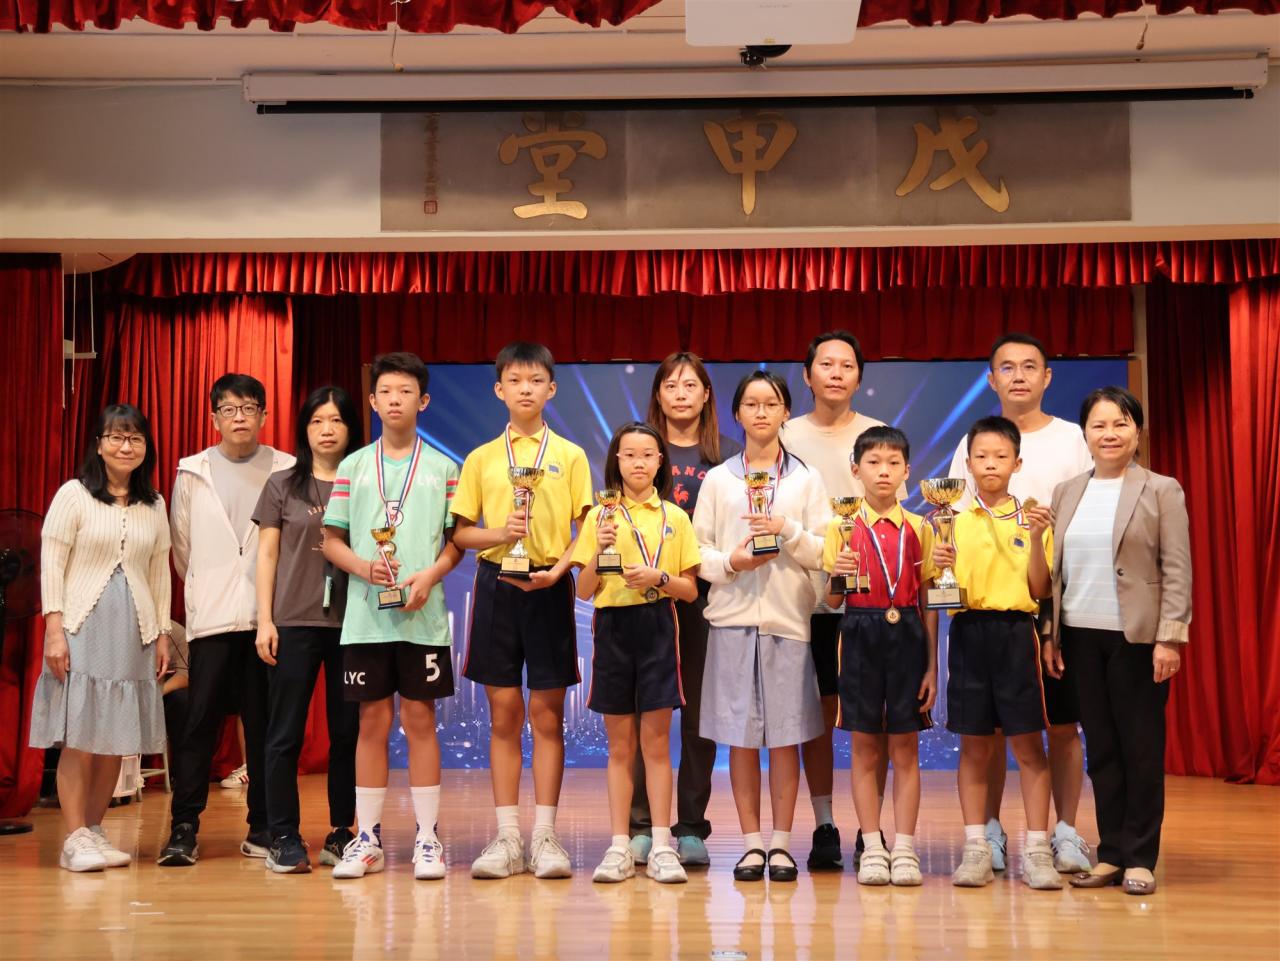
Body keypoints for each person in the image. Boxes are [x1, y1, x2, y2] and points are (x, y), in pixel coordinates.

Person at [947, 332, 1094, 874]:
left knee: (1060, 725)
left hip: (1061, 598)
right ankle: (986, 835)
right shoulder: (972, 444)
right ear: (991, 379)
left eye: (1029, 366)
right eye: (1006, 367)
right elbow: (955, 533)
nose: (1018, 376)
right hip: (988, 613)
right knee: (983, 735)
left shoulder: (1074, 438)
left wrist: (1053, 621)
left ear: (1047, 376)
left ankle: (1064, 833)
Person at [452, 341, 593, 880]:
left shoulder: (571, 455)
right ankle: (508, 836)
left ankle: (546, 837)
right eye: (515, 380)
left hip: (550, 585)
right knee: (504, 714)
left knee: (548, 716)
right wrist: (500, 533)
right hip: (497, 585)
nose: (526, 389)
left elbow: (586, 528)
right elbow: (462, 534)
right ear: (499, 390)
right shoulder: (481, 458)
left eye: (536, 380)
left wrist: (561, 572)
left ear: (551, 389)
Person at [321, 354, 462, 880]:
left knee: (420, 720)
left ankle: (428, 837)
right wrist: (365, 568)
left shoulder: (444, 468)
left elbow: (456, 543)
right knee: (372, 722)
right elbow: (331, 540)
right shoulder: (353, 467)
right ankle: (367, 838)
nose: (395, 399)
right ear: (373, 401)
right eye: (386, 391)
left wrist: (429, 577)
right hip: (366, 620)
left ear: (423, 401)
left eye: (406, 391)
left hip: (424, 618)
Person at [1046, 387, 1191, 896]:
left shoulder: (1161, 490)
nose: (1110, 434)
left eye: (1121, 423)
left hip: (1137, 639)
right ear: (1085, 434)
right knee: (1102, 750)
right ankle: (1110, 853)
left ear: (1137, 431)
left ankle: (1140, 858)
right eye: (1099, 425)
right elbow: (1056, 572)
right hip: (1079, 637)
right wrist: (1051, 635)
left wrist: (1170, 638)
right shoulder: (1067, 491)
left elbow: (1177, 569)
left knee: (1141, 750)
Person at [694, 370, 829, 882]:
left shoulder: (805, 479)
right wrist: (733, 562)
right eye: (751, 404)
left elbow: (824, 551)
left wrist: (786, 529)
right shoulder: (719, 479)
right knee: (741, 740)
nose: (761, 412)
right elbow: (697, 552)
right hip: (731, 621)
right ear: (737, 414)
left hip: (788, 622)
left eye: (771, 403)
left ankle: (781, 844)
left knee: (786, 740)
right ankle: (752, 844)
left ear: (785, 412)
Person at [159, 375, 293, 866]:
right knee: (199, 726)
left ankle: (263, 826)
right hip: (212, 619)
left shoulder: (286, 468)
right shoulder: (192, 472)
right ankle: (184, 828)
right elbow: (182, 549)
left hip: (267, 619)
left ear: (264, 415)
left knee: (263, 726)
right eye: (229, 409)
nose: (240, 417)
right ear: (214, 417)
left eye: (249, 408)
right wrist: (210, 588)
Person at [32, 404, 172, 872]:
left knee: (117, 736)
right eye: (116, 437)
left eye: (135, 438)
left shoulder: (155, 504)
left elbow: (159, 573)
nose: (126, 446)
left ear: (146, 447)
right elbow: (52, 564)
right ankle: (74, 838)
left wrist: (162, 633)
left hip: (135, 631)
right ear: (98, 444)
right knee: (80, 735)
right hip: (82, 627)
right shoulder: (73, 495)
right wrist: (54, 630)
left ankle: (94, 829)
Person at [779, 329, 894, 872]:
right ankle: (824, 822)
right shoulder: (785, 435)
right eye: (826, 364)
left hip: (870, 601)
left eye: (847, 365)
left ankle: (874, 829)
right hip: (806, 600)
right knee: (819, 714)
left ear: (859, 377)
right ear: (807, 375)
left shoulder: (877, 434)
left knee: (874, 719)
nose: (836, 373)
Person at [934, 416, 1061, 890]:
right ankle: (976, 849)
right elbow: (937, 589)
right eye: (981, 456)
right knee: (974, 747)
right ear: (967, 464)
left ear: (1017, 463)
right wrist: (940, 564)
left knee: (1028, 745)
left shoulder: (1032, 518)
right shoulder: (950, 520)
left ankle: (1038, 850)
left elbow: (1040, 588)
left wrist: (1035, 540)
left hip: (1016, 635)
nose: (991, 464)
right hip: (968, 633)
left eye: (1001, 456)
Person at [571, 422, 700, 885]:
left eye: (648, 454)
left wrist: (658, 578)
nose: (639, 462)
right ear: (617, 461)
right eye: (629, 455)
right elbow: (583, 590)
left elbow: (689, 590)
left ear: (661, 461)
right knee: (620, 746)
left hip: (659, 626)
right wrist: (598, 550)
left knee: (657, 744)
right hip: (612, 629)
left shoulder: (675, 517)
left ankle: (662, 845)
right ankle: (619, 846)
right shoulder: (599, 518)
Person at [629, 351, 742, 868]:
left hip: (706, 600)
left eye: (690, 385)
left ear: (705, 395)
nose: (680, 393)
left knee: (700, 715)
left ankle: (692, 826)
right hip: (645, 599)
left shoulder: (728, 457)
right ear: (658, 394)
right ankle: (640, 825)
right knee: (645, 714)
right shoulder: (639, 447)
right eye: (670, 385)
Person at [253, 386, 364, 874]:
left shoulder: (366, 482)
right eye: (317, 420)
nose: (326, 429)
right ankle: (283, 835)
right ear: (305, 429)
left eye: (336, 420)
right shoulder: (282, 484)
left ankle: (342, 831)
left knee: (347, 733)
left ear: (350, 428)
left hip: (353, 624)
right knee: (284, 734)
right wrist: (265, 619)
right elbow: (267, 555)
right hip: (293, 622)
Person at [822, 426, 938, 886]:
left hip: (907, 632)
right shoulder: (841, 526)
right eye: (873, 462)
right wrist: (838, 573)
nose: (883, 471)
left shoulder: (922, 527)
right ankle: (872, 845)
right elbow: (832, 600)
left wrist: (932, 665)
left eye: (893, 463)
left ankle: (904, 847)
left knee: (905, 747)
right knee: (865, 746)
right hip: (858, 633)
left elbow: (928, 601)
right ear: (856, 470)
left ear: (908, 470)